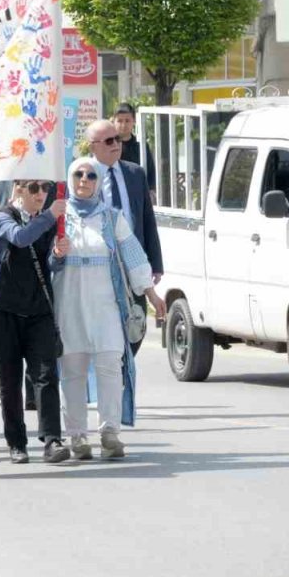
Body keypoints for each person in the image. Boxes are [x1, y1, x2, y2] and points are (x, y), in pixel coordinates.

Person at [52, 159, 166, 460]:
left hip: (106, 306)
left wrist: (152, 295)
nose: (84, 180)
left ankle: (110, 432)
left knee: (110, 367)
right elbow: (43, 258)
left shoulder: (111, 218)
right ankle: (76, 435)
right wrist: (55, 251)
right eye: (78, 174)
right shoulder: (59, 218)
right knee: (72, 371)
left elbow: (134, 256)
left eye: (91, 175)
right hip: (69, 305)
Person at [0, 180, 70, 465]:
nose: (41, 195)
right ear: (18, 188)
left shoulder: (44, 222)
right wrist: (49, 216)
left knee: (46, 375)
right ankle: (16, 442)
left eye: (45, 189)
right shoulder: (2, 216)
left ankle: (51, 439)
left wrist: (59, 255)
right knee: (9, 381)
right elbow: (19, 238)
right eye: (34, 188)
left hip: (39, 310)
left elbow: (50, 264)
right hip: (3, 311)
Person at [86, 119, 163, 354]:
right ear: (93, 146)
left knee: (135, 325)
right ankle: (115, 380)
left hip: (133, 263)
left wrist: (155, 264)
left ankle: (122, 374)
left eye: (117, 139)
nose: (115, 144)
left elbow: (147, 220)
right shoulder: (83, 177)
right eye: (108, 141)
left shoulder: (135, 173)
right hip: (100, 266)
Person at [113, 103, 155, 191]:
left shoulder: (141, 145)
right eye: (119, 121)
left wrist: (150, 191)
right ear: (114, 121)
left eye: (127, 121)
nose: (123, 125)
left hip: (137, 191)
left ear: (134, 121)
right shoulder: (108, 144)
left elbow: (150, 171)